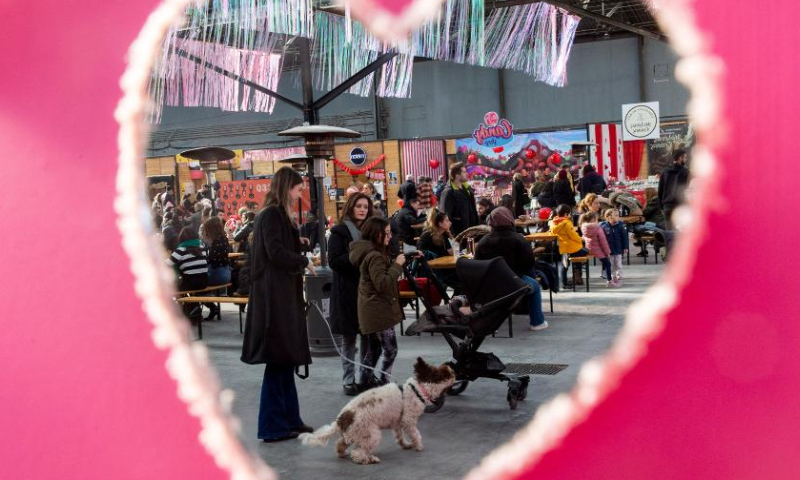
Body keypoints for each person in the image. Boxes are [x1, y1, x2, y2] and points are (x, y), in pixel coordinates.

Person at [241, 166, 316, 443]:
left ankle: (290, 420)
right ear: (286, 187)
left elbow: (277, 246)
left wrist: (297, 243)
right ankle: (272, 426)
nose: (300, 193)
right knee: (278, 360)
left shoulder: (277, 216)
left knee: (285, 360)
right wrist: (302, 259)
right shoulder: (271, 214)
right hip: (274, 300)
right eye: (298, 188)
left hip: (282, 296)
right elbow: (274, 252)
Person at [349, 217, 406, 388]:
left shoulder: (371, 252)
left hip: (371, 311)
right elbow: (382, 284)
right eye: (386, 233)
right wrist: (398, 265)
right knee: (390, 350)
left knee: (374, 350)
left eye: (390, 232)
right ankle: (384, 384)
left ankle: (365, 383)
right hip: (378, 312)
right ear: (376, 234)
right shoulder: (375, 256)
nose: (390, 236)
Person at [327, 193, 374, 396]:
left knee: (368, 336)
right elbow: (334, 261)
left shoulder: (371, 229)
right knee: (349, 338)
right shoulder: (339, 231)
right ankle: (348, 380)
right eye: (359, 206)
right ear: (350, 207)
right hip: (347, 291)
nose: (363, 209)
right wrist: (357, 256)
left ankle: (366, 376)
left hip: (367, 291)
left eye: (366, 206)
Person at [474, 207, 547, 331]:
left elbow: (478, 264)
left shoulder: (483, 241)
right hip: (515, 283)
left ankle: (491, 323)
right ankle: (537, 322)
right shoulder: (519, 239)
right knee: (534, 285)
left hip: (491, 286)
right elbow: (529, 263)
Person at [549, 204, 588, 289]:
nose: (570, 215)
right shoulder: (567, 223)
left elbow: (552, 233)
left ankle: (564, 283)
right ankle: (578, 275)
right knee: (585, 252)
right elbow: (573, 235)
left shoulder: (553, 222)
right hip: (573, 248)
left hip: (563, 248)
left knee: (564, 266)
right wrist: (581, 239)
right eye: (570, 214)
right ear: (566, 214)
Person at [200, 216, 232, 319]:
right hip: (226, 274)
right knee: (198, 285)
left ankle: (211, 308)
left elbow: (210, 260)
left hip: (217, 275)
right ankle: (212, 308)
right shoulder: (224, 239)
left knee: (196, 286)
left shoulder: (215, 242)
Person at [440, 162, 479, 236]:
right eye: (464, 172)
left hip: (471, 231)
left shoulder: (467, 189)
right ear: (457, 175)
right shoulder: (448, 192)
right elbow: (445, 215)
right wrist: (452, 235)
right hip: (459, 233)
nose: (467, 174)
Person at [658, 149, 690, 230]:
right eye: (684, 157)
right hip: (680, 206)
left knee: (669, 232)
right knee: (681, 232)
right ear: (680, 158)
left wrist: (662, 207)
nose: (685, 160)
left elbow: (660, 191)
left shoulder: (664, 172)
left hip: (667, 206)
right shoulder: (686, 172)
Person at [580, 212, 614, 287]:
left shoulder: (583, 227)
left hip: (588, 249)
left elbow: (584, 238)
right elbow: (603, 241)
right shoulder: (598, 228)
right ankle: (609, 280)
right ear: (593, 219)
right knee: (607, 264)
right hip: (597, 249)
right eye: (597, 219)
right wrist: (608, 252)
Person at [601, 209, 629, 284]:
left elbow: (624, 237)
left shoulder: (620, 225)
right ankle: (613, 276)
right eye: (616, 215)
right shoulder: (603, 226)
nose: (618, 217)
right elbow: (602, 239)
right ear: (609, 217)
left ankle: (619, 276)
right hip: (609, 250)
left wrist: (625, 247)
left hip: (618, 249)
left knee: (618, 264)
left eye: (618, 215)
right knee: (611, 265)